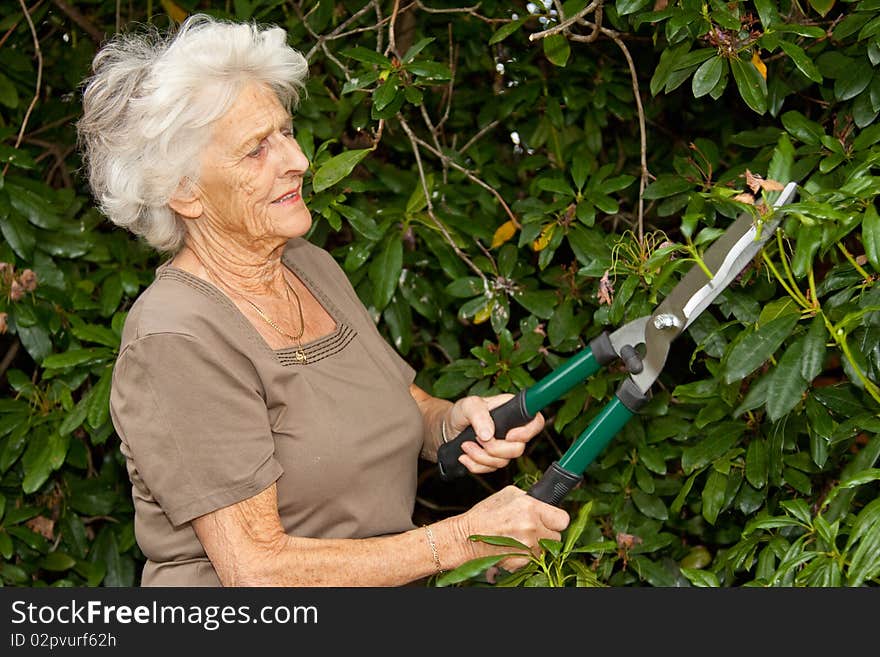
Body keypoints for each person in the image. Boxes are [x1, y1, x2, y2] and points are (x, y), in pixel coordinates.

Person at [76, 13, 569, 587]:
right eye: (257, 148)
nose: (299, 160)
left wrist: (451, 423)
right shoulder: (176, 338)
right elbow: (256, 570)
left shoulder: (306, 265)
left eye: (285, 131)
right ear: (184, 191)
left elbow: (394, 401)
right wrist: (460, 539)